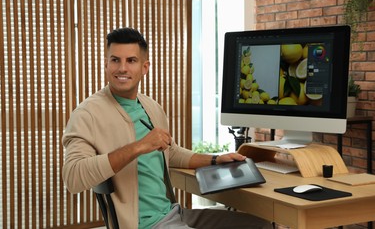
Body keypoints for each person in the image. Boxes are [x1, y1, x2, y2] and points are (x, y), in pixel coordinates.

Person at [62, 27, 273, 229]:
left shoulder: (151, 107)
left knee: (261, 225)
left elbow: (169, 152)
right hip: (144, 225)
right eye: (115, 60)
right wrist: (138, 147)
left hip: (173, 214)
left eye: (131, 60)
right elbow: (73, 177)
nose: (122, 68)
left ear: (145, 67)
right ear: (106, 65)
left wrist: (215, 159)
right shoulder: (87, 114)